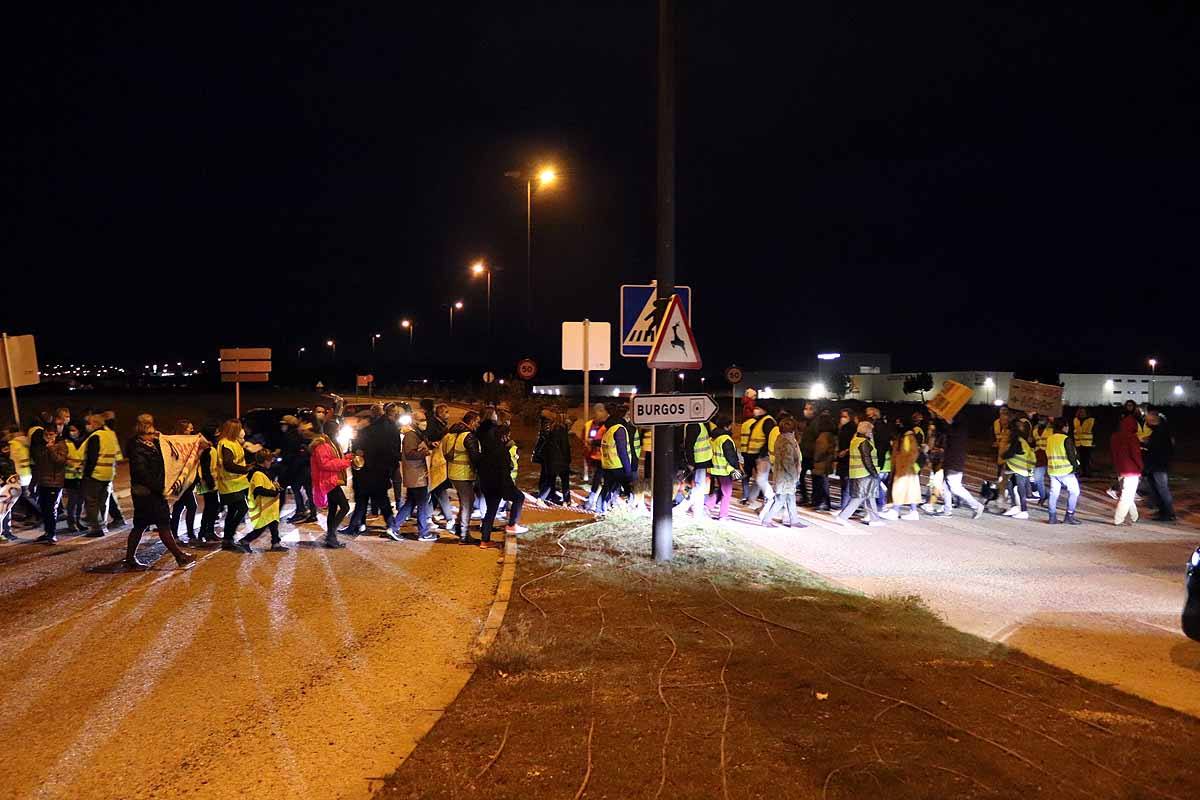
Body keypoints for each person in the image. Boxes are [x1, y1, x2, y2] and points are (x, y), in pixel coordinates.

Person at [125, 414, 195, 570]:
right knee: (162, 524)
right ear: (141, 434)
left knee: (141, 525)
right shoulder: (138, 449)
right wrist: (160, 487)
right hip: (147, 493)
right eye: (149, 433)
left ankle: (130, 558)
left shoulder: (150, 445)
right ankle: (180, 556)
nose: (153, 435)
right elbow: (142, 474)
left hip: (151, 492)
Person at [341, 405, 398, 535]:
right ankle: (357, 525)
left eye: (360, 419)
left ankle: (391, 526)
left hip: (371, 473)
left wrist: (358, 452)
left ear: (368, 419)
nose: (357, 421)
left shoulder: (369, 433)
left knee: (379, 501)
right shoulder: (379, 429)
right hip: (375, 473)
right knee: (366, 500)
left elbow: (368, 452)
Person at [478, 421, 527, 549]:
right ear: (504, 436)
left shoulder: (486, 448)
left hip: (487, 484)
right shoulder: (502, 451)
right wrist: (508, 488)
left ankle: (484, 540)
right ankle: (512, 525)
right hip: (500, 484)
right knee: (519, 497)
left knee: (491, 511)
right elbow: (506, 469)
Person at [391, 410, 436, 542]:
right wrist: (426, 453)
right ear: (415, 422)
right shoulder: (411, 435)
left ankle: (393, 527)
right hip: (416, 476)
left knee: (411, 503)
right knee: (422, 504)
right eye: (422, 420)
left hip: (416, 475)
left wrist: (430, 445)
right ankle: (423, 533)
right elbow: (410, 454)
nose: (425, 423)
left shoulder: (416, 434)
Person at [934, 410, 986, 519]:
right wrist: (938, 417)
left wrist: (941, 419)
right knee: (946, 487)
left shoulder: (959, 429)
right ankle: (947, 510)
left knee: (955, 487)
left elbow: (948, 430)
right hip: (950, 461)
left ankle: (976, 506)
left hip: (955, 462)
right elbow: (944, 429)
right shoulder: (956, 427)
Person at [835, 421, 886, 526]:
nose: (872, 432)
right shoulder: (864, 442)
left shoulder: (855, 440)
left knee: (869, 495)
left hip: (857, 473)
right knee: (859, 497)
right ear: (867, 431)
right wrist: (874, 473)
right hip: (865, 473)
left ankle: (874, 519)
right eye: (871, 430)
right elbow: (867, 460)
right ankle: (842, 517)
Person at [442, 410, 482, 542]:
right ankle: (464, 535)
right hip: (463, 474)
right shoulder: (468, 436)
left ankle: (458, 527)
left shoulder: (451, 434)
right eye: (477, 422)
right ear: (471, 421)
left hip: (453, 472)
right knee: (468, 504)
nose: (478, 424)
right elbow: (475, 457)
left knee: (465, 502)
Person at [214, 419, 253, 553]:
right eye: (239, 428)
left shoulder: (233, 442)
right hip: (229, 484)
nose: (242, 430)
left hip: (236, 483)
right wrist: (245, 470)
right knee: (241, 509)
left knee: (232, 512)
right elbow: (228, 464)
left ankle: (228, 539)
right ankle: (228, 537)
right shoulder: (226, 444)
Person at [237, 449, 286, 551]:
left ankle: (276, 543)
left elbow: (266, 484)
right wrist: (274, 493)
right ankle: (245, 540)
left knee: (273, 524)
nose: (271, 462)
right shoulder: (258, 473)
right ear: (264, 461)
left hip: (268, 507)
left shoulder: (263, 472)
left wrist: (275, 487)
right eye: (269, 460)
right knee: (261, 528)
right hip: (263, 506)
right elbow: (259, 489)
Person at [81, 413, 120, 537]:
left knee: (92, 502)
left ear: (94, 424)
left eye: (89, 423)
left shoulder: (95, 436)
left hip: (96, 474)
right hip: (109, 473)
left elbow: (92, 458)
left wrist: (86, 475)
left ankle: (96, 528)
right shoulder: (110, 435)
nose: (87, 426)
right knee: (103, 502)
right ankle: (103, 525)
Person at [759, 416, 800, 527]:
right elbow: (788, 463)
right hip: (786, 477)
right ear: (793, 429)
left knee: (791, 498)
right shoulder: (788, 443)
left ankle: (794, 520)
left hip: (781, 474)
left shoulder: (780, 439)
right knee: (780, 499)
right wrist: (795, 476)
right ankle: (766, 520)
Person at [31, 425, 67, 543]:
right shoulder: (41, 446)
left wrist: (51, 449)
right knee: (44, 508)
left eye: (51, 434)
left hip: (54, 482)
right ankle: (47, 532)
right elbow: (38, 461)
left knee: (51, 508)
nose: (48, 437)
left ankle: (52, 533)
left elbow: (60, 461)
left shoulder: (61, 445)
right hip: (42, 482)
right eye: (46, 434)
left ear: (56, 434)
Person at [598, 404, 637, 512]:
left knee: (607, 487)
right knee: (628, 486)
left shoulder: (609, 429)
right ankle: (631, 507)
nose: (629, 418)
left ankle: (599, 509)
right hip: (618, 465)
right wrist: (628, 470)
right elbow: (622, 451)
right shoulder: (620, 429)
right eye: (628, 415)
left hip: (608, 465)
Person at [280, 415, 318, 524]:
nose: (282, 426)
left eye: (284, 424)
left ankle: (300, 511)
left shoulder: (290, 435)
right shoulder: (303, 434)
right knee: (309, 491)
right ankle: (313, 513)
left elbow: (290, 454)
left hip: (297, 468)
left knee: (296, 489)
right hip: (307, 466)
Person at [1046, 418, 1082, 525]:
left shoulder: (1050, 439)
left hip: (1053, 470)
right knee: (1075, 492)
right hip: (1066, 471)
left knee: (1054, 494)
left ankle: (1052, 517)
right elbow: (1071, 455)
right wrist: (1076, 467)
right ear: (1064, 427)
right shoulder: (1066, 439)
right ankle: (1069, 516)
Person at [1110, 415, 1143, 526]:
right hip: (1132, 470)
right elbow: (1136, 455)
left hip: (1120, 469)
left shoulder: (1114, 437)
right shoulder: (1132, 437)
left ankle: (1135, 517)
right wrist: (1141, 467)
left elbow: (1114, 455)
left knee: (1128, 494)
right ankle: (1118, 520)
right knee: (1127, 496)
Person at [1143, 410, 1176, 522]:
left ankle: (1168, 513)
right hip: (1157, 465)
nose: (1146, 422)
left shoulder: (1161, 432)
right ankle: (1163, 511)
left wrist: (1146, 445)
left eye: (1147, 420)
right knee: (1157, 489)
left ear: (1153, 420)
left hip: (1159, 466)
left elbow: (1159, 449)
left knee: (1162, 489)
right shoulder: (1159, 431)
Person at [536, 410, 573, 506]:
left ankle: (542, 498)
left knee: (550, 480)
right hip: (561, 460)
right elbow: (564, 446)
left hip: (551, 459)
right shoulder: (561, 429)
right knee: (565, 480)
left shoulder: (549, 429)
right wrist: (568, 459)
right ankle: (566, 501)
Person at [1001, 418, 1035, 519]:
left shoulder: (1017, 440)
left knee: (1021, 490)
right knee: (1011, 486)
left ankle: (1024, 511)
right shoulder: (1021, 440)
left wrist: (1003, 455)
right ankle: (1015, 506)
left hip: (1019, 468)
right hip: (1016, 468)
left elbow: (1012, 452)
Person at [743, 406, 776, 505]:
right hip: (758, 455)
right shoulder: (761, 420)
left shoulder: (767, 421)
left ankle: (772, 498)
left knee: (761, 479)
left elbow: (770, 438)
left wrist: (762, 452)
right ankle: (751, 499)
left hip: (764, 455)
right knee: (759, 478)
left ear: (764, 409)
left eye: (758, 408)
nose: (755, 410)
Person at [682, 418, 714, 518]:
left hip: (701, 460)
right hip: (698, 460)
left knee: (697, 486)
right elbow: (689, 445)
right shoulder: (695, 425)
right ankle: (693, 510)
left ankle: (694, 509)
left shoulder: (699, 424)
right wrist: (690, 462)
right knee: (698, 487)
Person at [195, 430, 223, 543]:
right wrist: (210, 482)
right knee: (211, 507)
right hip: (207, 482)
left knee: (211, 507)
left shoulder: (207, 449)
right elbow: (206, 468)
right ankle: (206, 532)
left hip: (207, 481)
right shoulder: (208, 450)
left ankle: (206, 532)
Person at [890, 424, 922, 521]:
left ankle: (895, 511)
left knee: (899, 489)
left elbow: (909, 453)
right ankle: (913, 511)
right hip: (907, 469)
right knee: (910, 490)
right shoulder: (907, 437)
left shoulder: (907, 438)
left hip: (904, 469)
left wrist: (903, 466)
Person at [102, 411, 127, 529]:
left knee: (105, 495)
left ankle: (116, 518)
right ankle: (117, 517)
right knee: (107, 494)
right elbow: (117, 455)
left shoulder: (105, 433)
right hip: (109, 468)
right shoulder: (110, 433)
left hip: (103, 469)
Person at [864, 407, 893, 509]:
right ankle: (885, 504)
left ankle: (881, 505)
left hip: (880, 461)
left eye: (868, 414)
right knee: (881, 484)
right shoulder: (881, 425)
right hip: (883, 461)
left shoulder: (878, 426)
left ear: (873, 415)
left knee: (877, 484)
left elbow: (880, 445)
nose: (867, 416)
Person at [581, 403, 608, 512]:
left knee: (604, 480)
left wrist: (595, 442)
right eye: (595, 412)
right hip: (594, 456)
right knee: (596, 478)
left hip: (606, 457)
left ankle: (599, 503)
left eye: (599, 411)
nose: (596, 414)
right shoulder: (589, 424)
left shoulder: (607, 425)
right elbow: (584, 437)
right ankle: (594, 499)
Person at [62, 422, 86, 532]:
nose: (72, 432)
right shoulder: (65, 443)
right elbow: (62, 458)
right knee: (72, 501)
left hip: (82, 476)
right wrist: (68, 462)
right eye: (70, 430)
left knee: (80, 501)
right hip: (70, 477)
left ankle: (78, 521)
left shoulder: (85, 441)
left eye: (74, 430)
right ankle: (71, 523)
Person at [810, 413, 837, 511]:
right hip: (826, 463)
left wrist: (815, 459)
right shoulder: (830, 435)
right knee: (823, 483)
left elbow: (820, 451)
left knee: (821, 483)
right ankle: (825, 503)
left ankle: (823, 503)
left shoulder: (823, 436)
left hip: (820, 464)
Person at [1030, 414, 1054, 506]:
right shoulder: (1035, 429)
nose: (1041, 419)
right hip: (1039, 457)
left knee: (1053, 480)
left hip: (1050, 456)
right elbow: (1034, 442)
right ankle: (1043, 495)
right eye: (1040, 417)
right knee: (1037, 479)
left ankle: (1050, 498)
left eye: (1043, 417)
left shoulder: (1052, 429)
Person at [835, 408, 856, 510]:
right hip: (843, 460)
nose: (842, 419)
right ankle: (844, 507)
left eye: (845, 416)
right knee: (845, 486)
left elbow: (854, 444)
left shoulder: (852, 428)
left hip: (848, 461)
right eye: (841, 416)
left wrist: (846, 451)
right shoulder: (842, 428)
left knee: (847, 487)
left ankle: (845, 508)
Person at [796, 402, 817, 505]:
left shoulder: (816, 423)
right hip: (803, 454)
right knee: (800, 476)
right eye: (806, 408)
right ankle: (804, 496)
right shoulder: (803, 423)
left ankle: (814, 499)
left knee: (815, 479)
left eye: (810, 409)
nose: (807, 411)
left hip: (813, 455)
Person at [738, 412, 757, 503]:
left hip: (745, 453)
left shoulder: (744, 425)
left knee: (746, 475)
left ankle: (745, 495)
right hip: (755, 453)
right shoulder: (757, 424)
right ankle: (756, 494)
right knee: (759, 476)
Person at [1072, 407, 1094, 478]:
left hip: (1088, 443)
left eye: (1083, 412)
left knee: (1087, 459)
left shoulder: (1091, 420)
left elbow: (1095, 431)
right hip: (1078, 443)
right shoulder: (1075, 420)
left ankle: (1088, 472)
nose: (1081, 413)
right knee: (1081, 459)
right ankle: (1083, 472)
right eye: (1080, 412)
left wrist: (1094, 441)